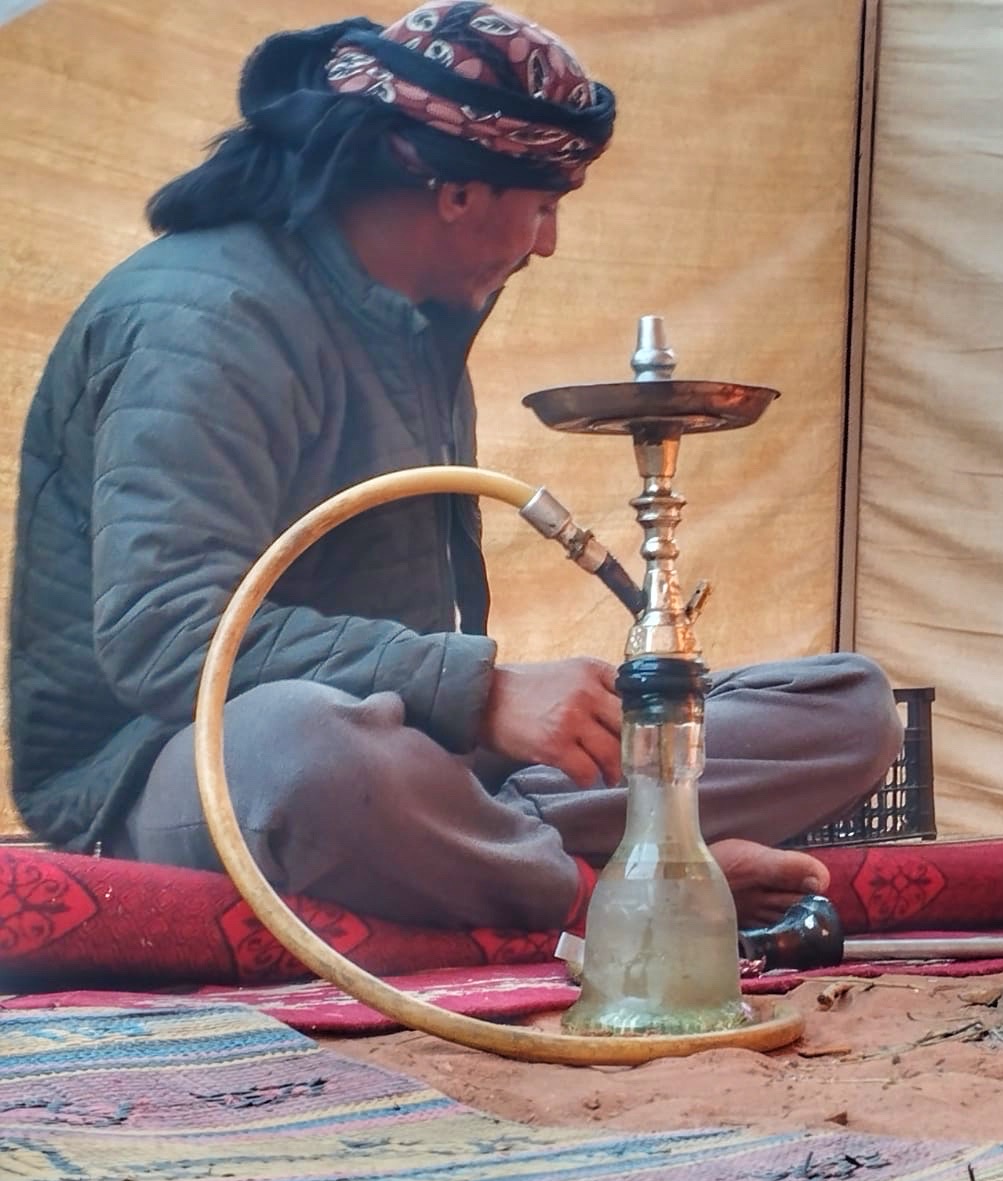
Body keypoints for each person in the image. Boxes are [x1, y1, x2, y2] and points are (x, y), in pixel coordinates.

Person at [7, 1, 903, 933]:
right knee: (311, 754)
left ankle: (508, 843)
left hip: (417, 752)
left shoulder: (417, 318)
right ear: (458, 192)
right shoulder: (209, 320)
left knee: (848, 707)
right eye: (545, 207)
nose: (547, 243)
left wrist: (490, 713)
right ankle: (614, 892)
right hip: (177, 765)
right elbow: (166, 635)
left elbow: (422, 692)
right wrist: (485, 694)